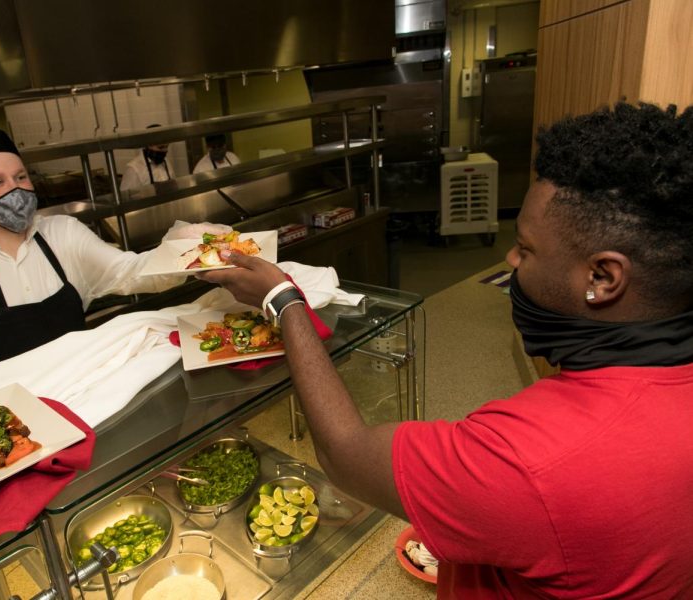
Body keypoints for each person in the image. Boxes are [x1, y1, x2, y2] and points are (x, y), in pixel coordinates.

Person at [200, 102, 693, 598]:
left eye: (526, 248)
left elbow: (344, 454)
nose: (509, 258)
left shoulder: (529, 462)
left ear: (603, 278)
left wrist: (283, 299)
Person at [0, 129, 224, 383]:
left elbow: (132, 272)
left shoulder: (64, 234)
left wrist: (189, 247)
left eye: (21, 177)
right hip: (7, 416)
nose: (16, 190)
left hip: (83, 389)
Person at [119, 124, 172, 191]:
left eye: (166, 147)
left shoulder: (165, 161)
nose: (165, 150)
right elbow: (126, 198)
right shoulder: (134, 169)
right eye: (160, 147)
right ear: (147, 145)